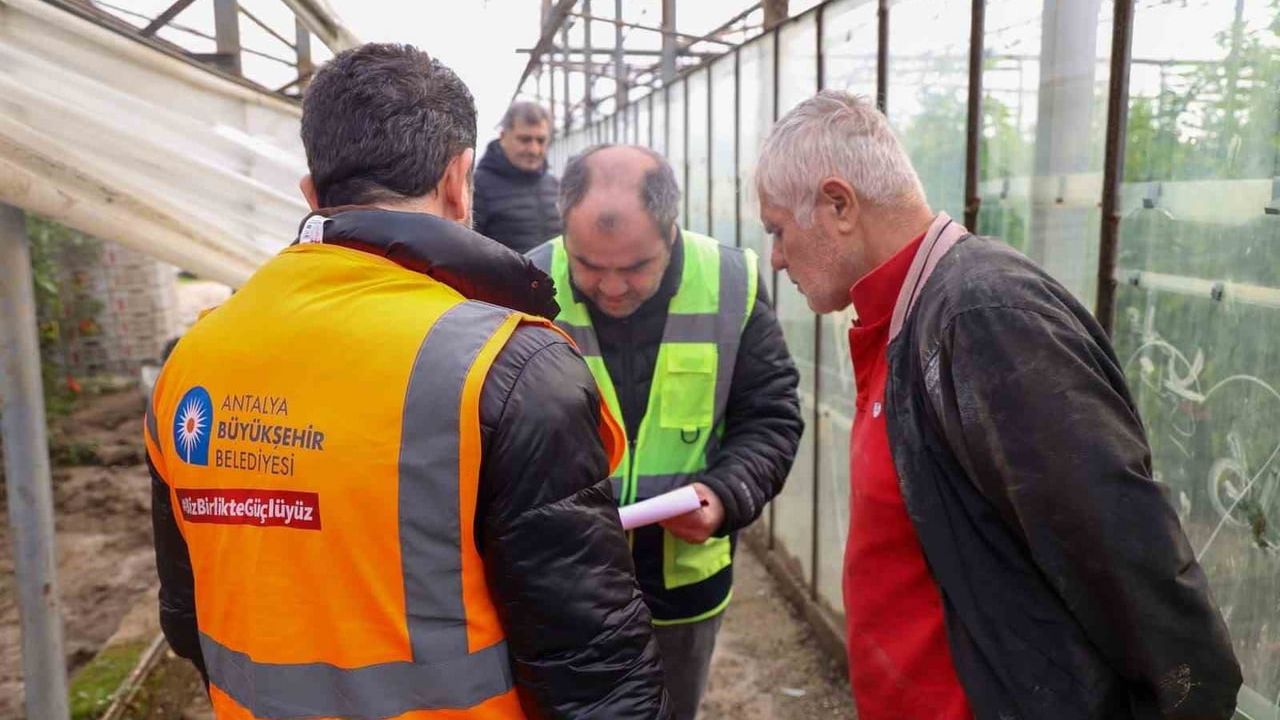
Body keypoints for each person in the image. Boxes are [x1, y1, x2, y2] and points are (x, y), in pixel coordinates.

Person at [145, 44, 669, 719]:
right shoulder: (509, 370)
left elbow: (186, 620)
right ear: (459, 181)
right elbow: (595, 675)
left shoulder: (191, 360)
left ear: (312, 194)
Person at [755, 88, 1242, 720]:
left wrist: (1188, 701)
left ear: (838, 204)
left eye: (777, 229)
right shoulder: (908, 318)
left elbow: (1117, 541)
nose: (775, 256)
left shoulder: (982, 317)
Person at [527, 145, 803, 720]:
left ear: (671, 229)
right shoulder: (522, 287)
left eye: (634, 267)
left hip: (681, 589)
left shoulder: (732, 283)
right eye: (588, 265)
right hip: (562, 590)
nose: (611, 288)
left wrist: (725, 495)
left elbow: (770, 416)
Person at [473, 101, 561, 253]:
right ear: (503, 137)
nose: (534, 149)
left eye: (541, 140)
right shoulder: (477, 187)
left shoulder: (554, 185)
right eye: (525, 140)